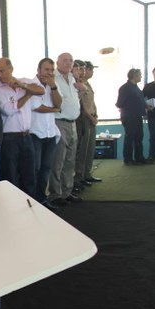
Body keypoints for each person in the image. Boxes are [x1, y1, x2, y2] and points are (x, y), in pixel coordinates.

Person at [0, 57, 44, 197]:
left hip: (26, 135)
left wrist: (24, 87)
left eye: (2, 71)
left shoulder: (24, 81)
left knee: (30, 174)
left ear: (11, 69)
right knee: (11, 175)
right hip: (10, 138)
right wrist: (28, 95)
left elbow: (41, 90)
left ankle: (30, 203)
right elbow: (9, 110)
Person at [49, 54, 84, 204]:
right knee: (58, 160)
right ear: (57, 63)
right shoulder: (53, 78)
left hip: (73, 122)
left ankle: (67, 191)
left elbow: (75, 100)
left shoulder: (72, 77)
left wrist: (82, 90)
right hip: (59, 122)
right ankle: (55, 194)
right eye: (65, 61)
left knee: (70, 159)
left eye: (70, 61)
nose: (68, 63)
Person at [29, 58, 63, 207]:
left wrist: (53, 86)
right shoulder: (31, 85)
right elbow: (37, 107)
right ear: (38, 70)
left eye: (51, 70)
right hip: (35, 133)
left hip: (50, 133)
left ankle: (42, 199)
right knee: (35, 168)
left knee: (46, 168)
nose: (49, 73)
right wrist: (54, 110)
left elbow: (59, 103)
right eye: (46, 70)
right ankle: (32, 200)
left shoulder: (52, 85)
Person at [74, 61, 102, 190]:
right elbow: (82, 106)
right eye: (83, 69)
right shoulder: (78, 84)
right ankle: (79, 177)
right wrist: (91, 117)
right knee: (82, 150)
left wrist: (95, 115)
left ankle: (86, 174)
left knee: (89, 149)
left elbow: (91, 103)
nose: (86, 72)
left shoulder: (87, 84)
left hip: (91, 118)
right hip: (84, 119)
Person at [116, 68, 147, 165]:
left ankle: (139, 158)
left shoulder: (136, 87)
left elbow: (139, 100)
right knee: (130, 137)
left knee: (139, 137)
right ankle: (128, 159)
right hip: (129, 116)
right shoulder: (125, 88)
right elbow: (119, 103)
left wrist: (145, 105)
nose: (141, 76)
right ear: (134, 76)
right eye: (140, 75)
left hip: (138, 116)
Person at [142, 65, 155, 163]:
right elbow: (140, 98)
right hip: (152, 116)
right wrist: (145, 105)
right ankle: (151, 157)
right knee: (153, 137)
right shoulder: (148, 86)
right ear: (153, 75)